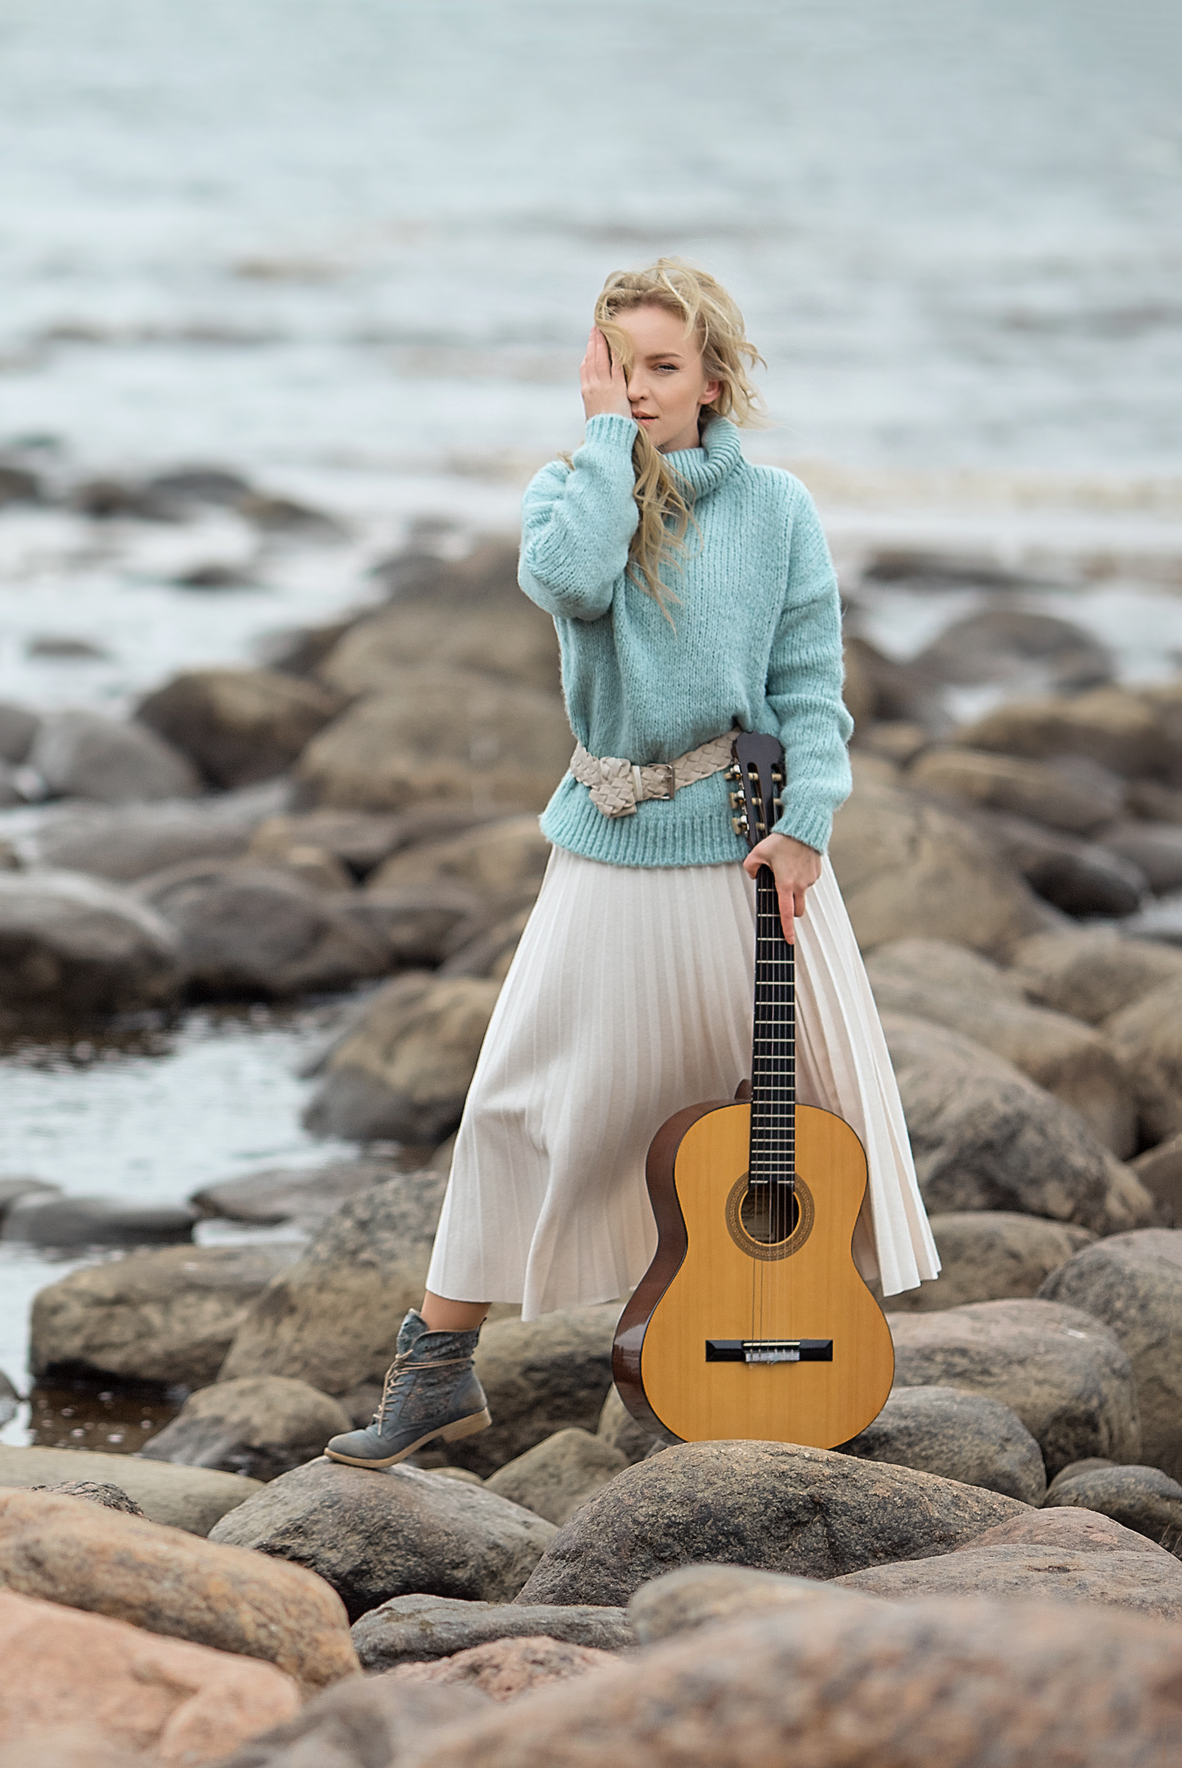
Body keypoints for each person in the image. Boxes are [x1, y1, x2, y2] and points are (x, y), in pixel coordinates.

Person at [323, 259, 940, 1470]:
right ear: (594, 377)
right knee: (516, 1096)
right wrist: (607, 441)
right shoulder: (571, 492)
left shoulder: (778, 511)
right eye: (622, 367)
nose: (646, 389)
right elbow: (568, 582)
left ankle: (793, 1339)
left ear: (714, 377)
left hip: (747, 848)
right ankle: (437, 1368)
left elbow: (811, 684)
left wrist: (808, 822)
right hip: (606, 847)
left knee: (797, 1111)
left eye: (666, 367)